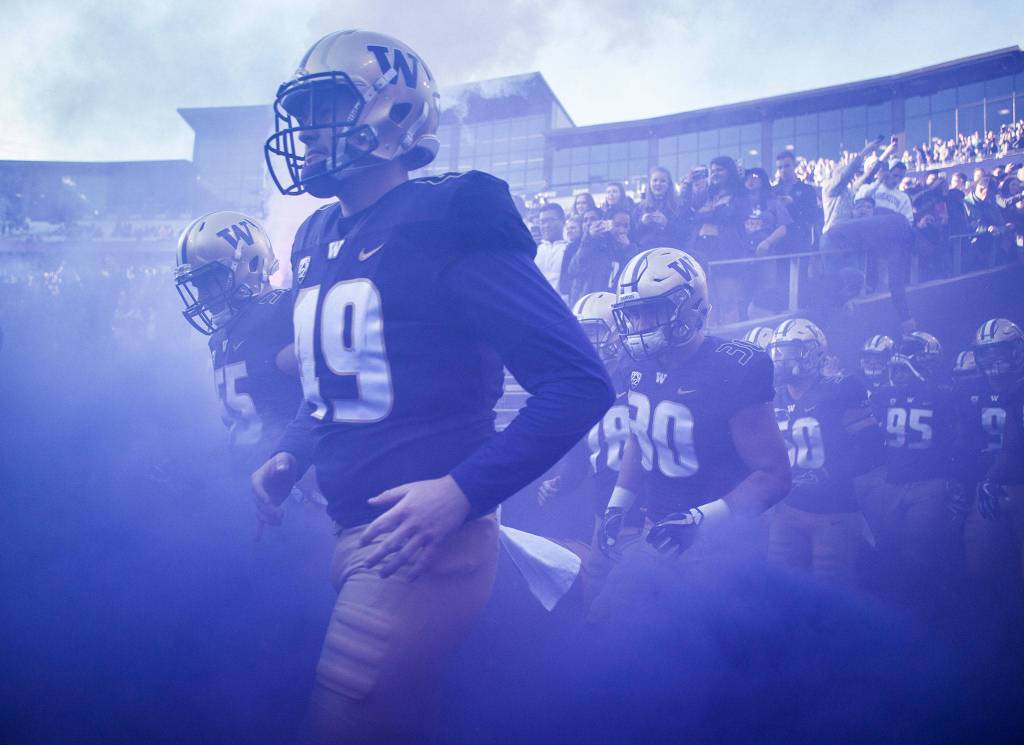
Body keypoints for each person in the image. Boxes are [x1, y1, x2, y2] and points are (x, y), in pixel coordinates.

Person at [255, 30, 614, 744]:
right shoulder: (319, 233)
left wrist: (461, 491)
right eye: (301, 115)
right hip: (354, 528)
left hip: (427, 544)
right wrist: (292, 451)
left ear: (393, 113)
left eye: (326, 107)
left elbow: (577, 381)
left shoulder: (447, 216)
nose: (305, 132)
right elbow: (336, 381)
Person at [590, 248, 791, 618]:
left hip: (723, 544)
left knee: (708, 652)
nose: (638, 325)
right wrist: (617, 507)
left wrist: (700, 519)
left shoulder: (732, 367)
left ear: (689, 308)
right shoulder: (636, 364)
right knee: (606, 622)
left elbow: (775, 476)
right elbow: (641, 436)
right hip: (660, 532)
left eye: (652, 311)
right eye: (633, 314)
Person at [173, 211, 301, 456]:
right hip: (244, 475)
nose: (202, 297)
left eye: (210, 281)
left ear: (252, 264)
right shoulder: (222, 336)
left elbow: (328, 396)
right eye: (197, 286)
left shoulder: (282, 311)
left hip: (291, 472)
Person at [766, 319, 882, 584]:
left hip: (833, 511)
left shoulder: (841, 388)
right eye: (777, 351)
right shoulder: (773, 396)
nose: (781, 359)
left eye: (789, 351)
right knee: (781, 584)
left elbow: (873, 449)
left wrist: (829, 473)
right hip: (788, 509)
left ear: (813, 353)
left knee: (831, 589)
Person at [861, 332, 958, 595]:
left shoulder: (945, 395)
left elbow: (957, 441)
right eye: (897, 369)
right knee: (887, 547)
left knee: (918, 551)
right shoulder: (882, 396)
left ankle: (923, 603)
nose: (899, 374)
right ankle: (898, 601)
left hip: (929, 481)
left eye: (905, 369)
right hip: (892, 480)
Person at [962, 319, 1024, 584]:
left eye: (997, 351)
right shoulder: (974, 391)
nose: (991, 360)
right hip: (999, 480)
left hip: (1008, 480)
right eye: (985, 353)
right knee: (980, 559)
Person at [772, 150, 822, 253]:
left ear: (794, 166)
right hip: (778, 242)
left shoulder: (807, 190)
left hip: (800, 241)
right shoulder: (773, 191)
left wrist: (793, 204)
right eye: (779, 167)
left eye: (787, 166)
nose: (783, 170)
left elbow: (813, 215)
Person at [632, 166, 687, 250]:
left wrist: (666, 224)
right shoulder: (639, 207)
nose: (658, 183)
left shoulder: (679, 206)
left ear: (669, 184)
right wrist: (642, 223)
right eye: (655, 180)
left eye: (663, 181)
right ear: (649, 183)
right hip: (645, 253)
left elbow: (684, 235)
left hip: (670, 253)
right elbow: (632, 236)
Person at [534, 202, 569, 300]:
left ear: (563, 221)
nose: (546, 225)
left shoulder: (571, 248)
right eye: (542, 221)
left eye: (551, 220)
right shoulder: (533, 249)